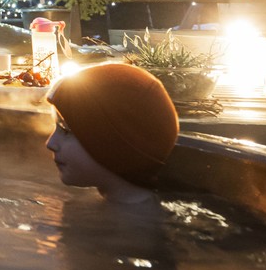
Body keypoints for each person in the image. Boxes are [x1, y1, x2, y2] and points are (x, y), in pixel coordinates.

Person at [44, 62, 178, 204]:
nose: (50, 143)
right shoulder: (112, 212)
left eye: (66, 131)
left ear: (114, 147)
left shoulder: (130, 224)